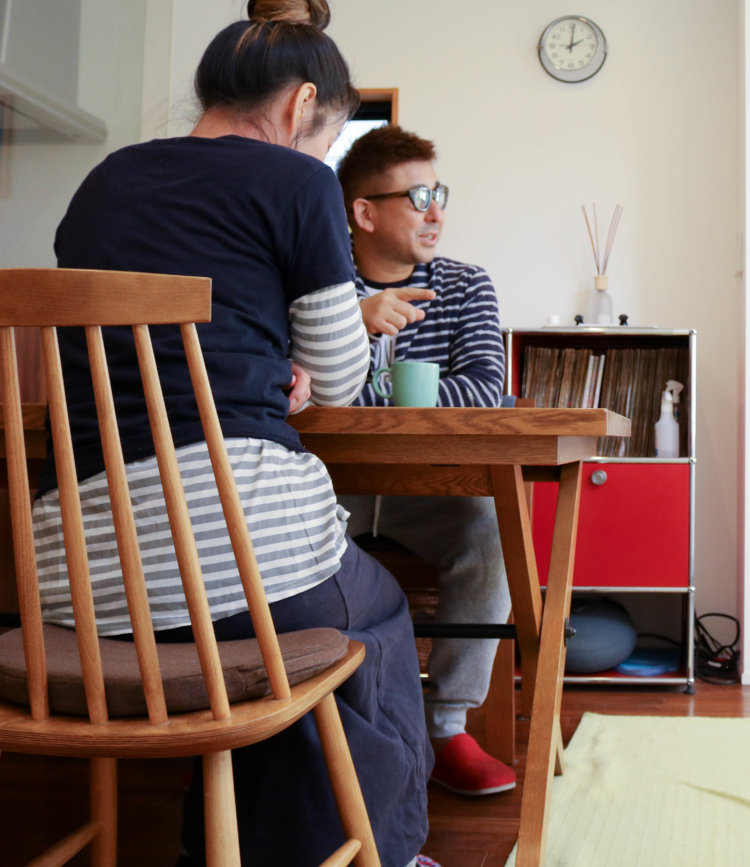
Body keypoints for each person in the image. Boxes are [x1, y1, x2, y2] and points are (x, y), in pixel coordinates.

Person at [33, 2, 435, 865]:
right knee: (371, 614)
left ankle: (225, 845)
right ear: (300, 108)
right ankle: (386, 852)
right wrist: (291, 368)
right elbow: (334, 379)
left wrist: (257, 360)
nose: (321, 152)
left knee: (263, 632)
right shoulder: (296, 183)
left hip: (79, 586)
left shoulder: (107, 179)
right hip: (241, 555)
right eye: (326, 136)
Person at [335, 125, 515, 797]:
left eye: (438, 192)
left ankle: (445, 726)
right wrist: (353, 319)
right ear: (364, 212)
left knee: (493, 529)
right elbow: (294, 392)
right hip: (331, 488)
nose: (437, 211)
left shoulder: (466, 285)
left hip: (433, 489)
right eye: (418, 196)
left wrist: (377, 393)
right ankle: (324, 718)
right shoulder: (322, 290)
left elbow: (484, 391)